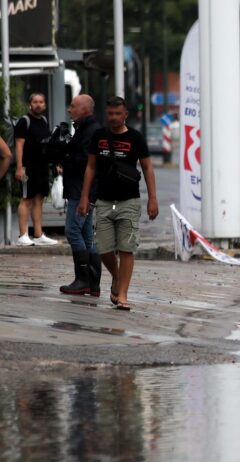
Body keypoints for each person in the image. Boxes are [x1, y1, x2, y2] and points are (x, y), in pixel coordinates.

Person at [77, 96, 158, 311]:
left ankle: (122, 294)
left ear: (125, 115)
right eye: (110, 114)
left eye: (117, 114)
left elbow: (148, 168)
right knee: (103, 250)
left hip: (129, 202)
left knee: (126, 250)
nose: (113, 117)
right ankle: (116, 277)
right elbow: (91, 167)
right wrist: (84, 197)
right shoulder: (99, 136)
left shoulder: (136, 138)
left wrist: (153, 198)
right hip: (103, 201)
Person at [59, 94, 104, 296]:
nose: (70, 110)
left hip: (82, 191)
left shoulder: (91, 131)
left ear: (85, 109)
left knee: (73, 231)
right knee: (87, 236)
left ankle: (83, 280)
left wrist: (64, 156)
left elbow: (85, 162)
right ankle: (93, 282)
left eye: (73, 106)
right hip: (83, 190)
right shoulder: (85, 129)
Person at [14, 92, 58, 246]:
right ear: (30, 104)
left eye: (41, 102)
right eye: (35, 102)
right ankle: (22, 235)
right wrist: (20, 167)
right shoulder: (24, 121)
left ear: (45, 105)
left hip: (42, 167)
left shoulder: (44, 121)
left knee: (39, 199)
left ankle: (39, 234)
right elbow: (19, 146)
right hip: (28, 168)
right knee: (26, 199)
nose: (38, 104)